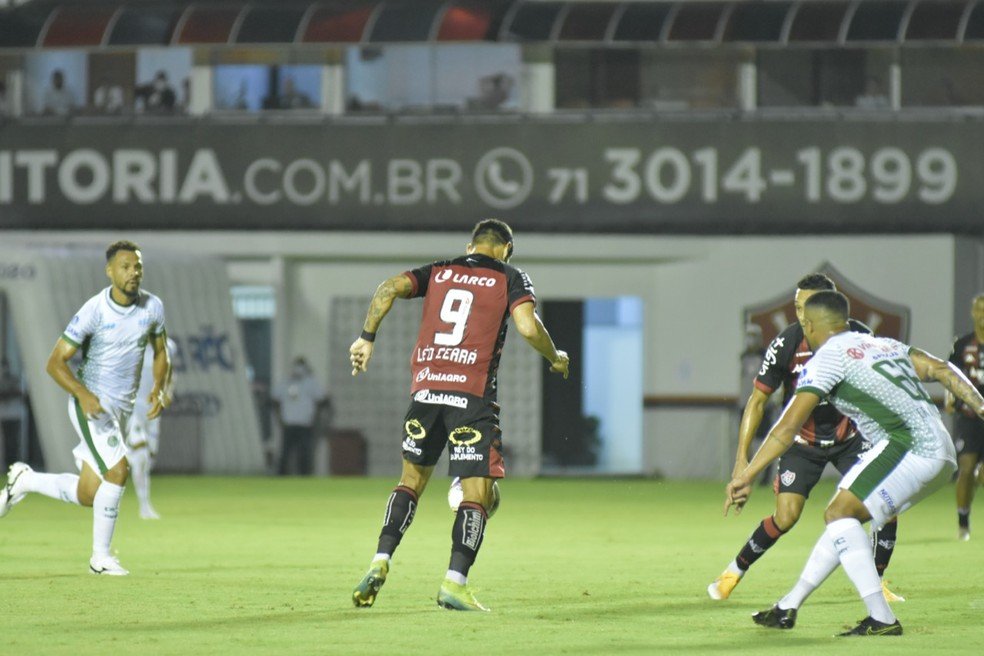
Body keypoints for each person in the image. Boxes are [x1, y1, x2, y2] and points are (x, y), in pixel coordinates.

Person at [725, 291, 980, 636]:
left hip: (908, 447)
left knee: (837, 515)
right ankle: (788, 606)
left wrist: (746, 474)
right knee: (842, 516)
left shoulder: (827, 357)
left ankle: (882, 618)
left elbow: (786, 429)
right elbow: (940, 369)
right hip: (939, 448)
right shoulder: (883, 344)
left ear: (809, 325)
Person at [349, 219, 569, 611]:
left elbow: (388, 288)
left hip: (427, 392)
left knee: (410, 482)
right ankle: (454, 583)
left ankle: (379, 561)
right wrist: (555, 357)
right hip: (471, 398)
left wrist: (366, 337)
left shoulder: (438, 271)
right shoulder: (510, 276)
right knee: (478, 495)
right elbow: (527, 326)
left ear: (470, 245)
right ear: (506, 248)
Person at [709, 274, 902, 603]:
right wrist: (742, 461)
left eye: (807, 307)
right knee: (786, 516)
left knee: (886, 503)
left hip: (851, 437)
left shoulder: (858, 336)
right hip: (801, 442)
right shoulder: (786, 343)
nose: (801, 315)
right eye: (797, 307)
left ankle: (877, 581)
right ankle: (733, 572)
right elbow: (757, 401)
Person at [0, 241, 170, 575]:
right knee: (119, 471)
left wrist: (159, 388)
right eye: (125, 266)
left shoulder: (152, 307)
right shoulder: (95, 309)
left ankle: (25, 481)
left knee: (89, 493)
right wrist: (83, 394)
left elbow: (161, 350)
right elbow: (55, 362)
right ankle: (100, 558)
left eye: (137, 266)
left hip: (118, 411)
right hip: (90, 405)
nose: (133, 272)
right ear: (110, 271)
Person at [945, 293, 984, 540]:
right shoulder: (962, 345)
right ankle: (963, 522)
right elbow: (950, 374)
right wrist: (950, 398)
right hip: (969, 415)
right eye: (979, 310)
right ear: (973, 313)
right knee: (966, 468)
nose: (982, 315)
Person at [126, 336, 176, 519]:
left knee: (149, 460)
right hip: (133, 410)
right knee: (141, 457)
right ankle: (144, 506)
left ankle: (123, 458)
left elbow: (170, 374)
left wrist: (168, 393)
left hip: (153, 411)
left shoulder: (167, 346)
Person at [272, 357, 328, 476]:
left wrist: (315, 419)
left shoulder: (311, 383)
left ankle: (305, 476)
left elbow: (321, 401)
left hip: (305, 424)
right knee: (285, 452)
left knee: (305, 453)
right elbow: (275, 401)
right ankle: (281, 476)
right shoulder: (285, 383)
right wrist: (280, 419)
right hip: (288, 424)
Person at [738, 324, 778, 487]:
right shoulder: (743, 357)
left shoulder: (766, 356)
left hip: (763, 405)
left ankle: (765, 475)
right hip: (744, 404)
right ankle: (746, 474)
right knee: (746, 442)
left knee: (763, 441)